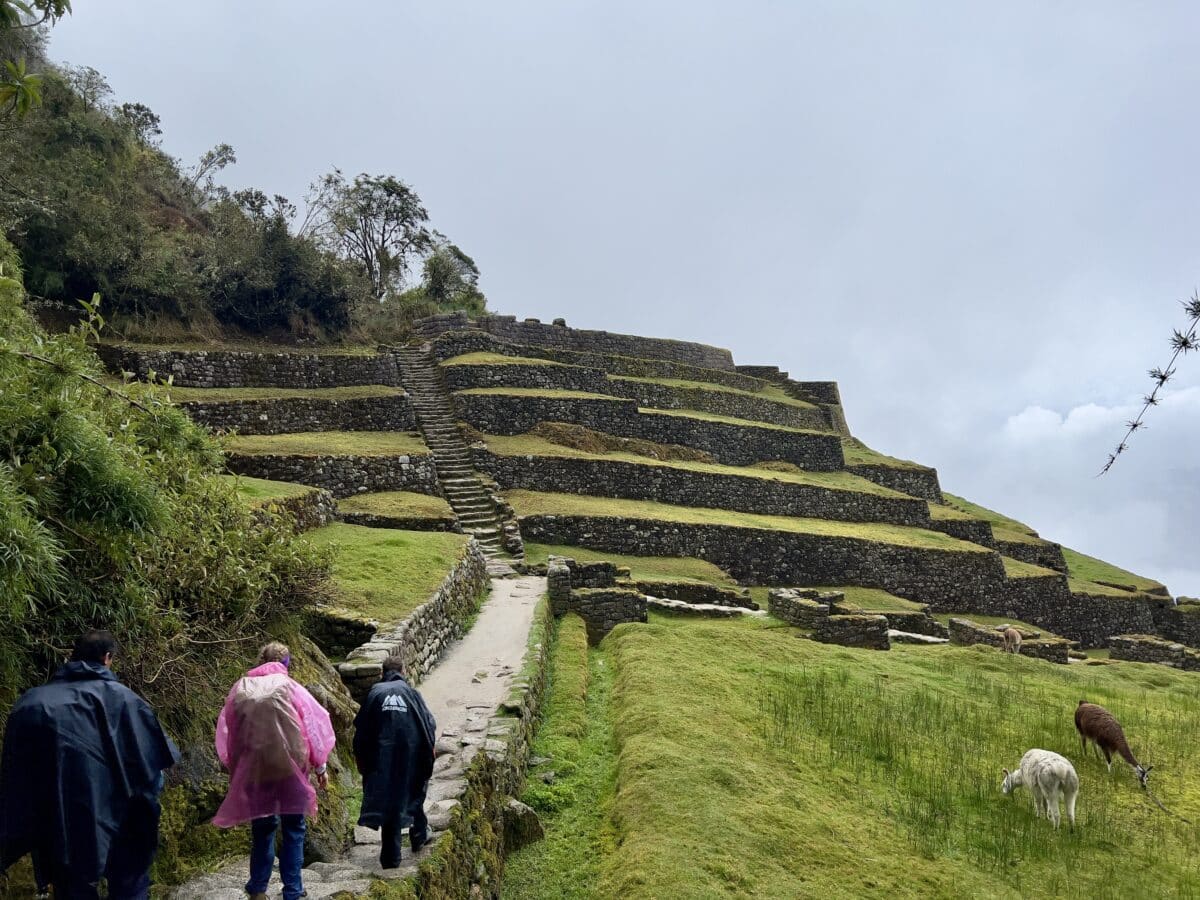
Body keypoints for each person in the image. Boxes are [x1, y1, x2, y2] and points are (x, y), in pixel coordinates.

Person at [0, 629, 179, 900]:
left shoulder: (31, 704)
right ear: (107, 658)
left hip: (58, 828)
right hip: (117, 824)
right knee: (129, 881)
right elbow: (151, 773)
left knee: (72, 887)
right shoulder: (126, 701)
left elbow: (15, 780)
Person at [213, 641, 335, 900]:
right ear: (286, 663)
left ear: (260, 661)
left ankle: (258, 888)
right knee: (293, 827)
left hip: (255, 770)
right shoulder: (291, 688)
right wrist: (321, 765)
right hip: (290, 768)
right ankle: (292, 890)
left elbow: (228, 730)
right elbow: (313, 726)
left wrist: (235, 767)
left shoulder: (241, 688)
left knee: (263, 826)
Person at [352, 655, 437, 869]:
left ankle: (391, 857)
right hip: (410, 753)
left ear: (382, 673)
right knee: (413, 790)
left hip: (382, 757)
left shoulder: (374, 693)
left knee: (391, 800)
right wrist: (428, 753)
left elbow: (361, 730)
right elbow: (429, 724)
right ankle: (417, 835)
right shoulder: (412, 694)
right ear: (404, 671)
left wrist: (362, 760)